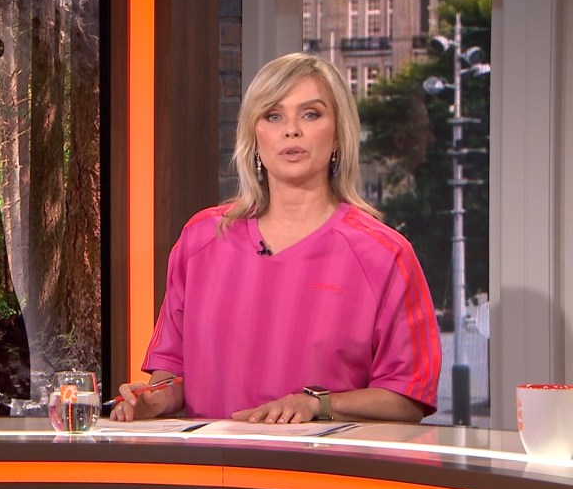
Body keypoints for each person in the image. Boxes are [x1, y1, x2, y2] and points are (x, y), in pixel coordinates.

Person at [111, 53, 441, 424]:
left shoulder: (383, 254)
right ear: (254, 136)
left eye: (311, 114)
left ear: (338, 135)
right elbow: (173, 370)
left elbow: (407, 398)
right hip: (213, 460)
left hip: (322, 461)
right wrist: (155, 400)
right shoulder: (201, 238)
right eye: (273, 115)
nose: (291, 130)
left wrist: (316, 405)